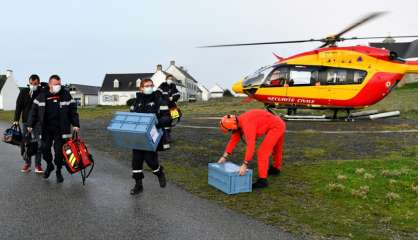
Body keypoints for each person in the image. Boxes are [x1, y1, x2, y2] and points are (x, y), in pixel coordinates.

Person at [27, 75, 80, 183]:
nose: (58, 86)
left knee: (59, 152)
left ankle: (58, 171)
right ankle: (50, 165)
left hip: (61, 129)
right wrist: (30, 125)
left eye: (59, 84)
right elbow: (34, 112)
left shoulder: (66, 95)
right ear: (50, 84)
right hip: (46, 129)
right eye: (56, 84)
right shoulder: (42, 95)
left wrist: (76, 124)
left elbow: (73, 111)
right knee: (45, 150)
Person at [217, 109, 286, 189]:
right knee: (277, 149)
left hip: (276, 126)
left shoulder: (247, 125)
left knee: (262, 152)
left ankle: (262, 181)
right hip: (278, 123)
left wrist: (245, 164)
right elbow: (233, 140)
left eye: (231, 130)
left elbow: (251, 145)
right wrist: (224, 157)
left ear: (233, 126)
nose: (232, 132)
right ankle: (276, 169)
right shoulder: (239, 121)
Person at [130, 79, 171, 195]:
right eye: (147, 86)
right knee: (136, 162)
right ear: (141, 88)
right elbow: (131, 117)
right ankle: (138, 185)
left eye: (151, 85)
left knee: (150, 160)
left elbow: (167, 118)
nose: (150, 87)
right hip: (138, 136)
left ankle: (159, 172)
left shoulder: (159, 100)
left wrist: (156, 122)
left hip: (152, 135)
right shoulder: (136, 101)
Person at [13, 74, 43, 173]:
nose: (33, 85)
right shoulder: (23, 92)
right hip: (25, 122)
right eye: (31, 83)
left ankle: (38, 165)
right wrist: (16, 119)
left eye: (35, 84)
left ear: (38, 83)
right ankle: (27, 163)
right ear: (28, 82)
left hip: (37, 123)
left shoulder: (41, 92)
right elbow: (18, 106)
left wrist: (43, 86)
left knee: (38, 143)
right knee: (25, 144)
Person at [156, 75, 180, 142]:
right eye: (169, 79)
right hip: (164, 107)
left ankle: (168, 134)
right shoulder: (162, 85)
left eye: (171, 79)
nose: (170, 80)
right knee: (165, 121)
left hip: (172, 106)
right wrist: (163, 101)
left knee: (174, 118)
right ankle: (165, 136)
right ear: (166, 79)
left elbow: (178, 94)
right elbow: (157, 94)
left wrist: (173, 98)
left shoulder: (173, 86)